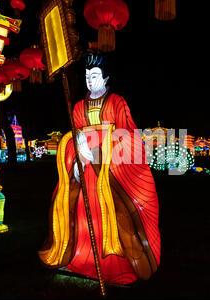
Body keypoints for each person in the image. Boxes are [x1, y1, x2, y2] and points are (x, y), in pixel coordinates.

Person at [39, 53, 161, 285]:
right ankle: (81, 259)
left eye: (95, 76)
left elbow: (129, 137)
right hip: (84, 170)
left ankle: (114, 265)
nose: (90, 81)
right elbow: (73, 136)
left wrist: (100, 151)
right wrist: (76, 155)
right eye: (87, 76)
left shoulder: (117, 103)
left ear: (106, 79)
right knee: (83, 216)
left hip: (111, 174)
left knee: (113, 217)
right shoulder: (77, 107)